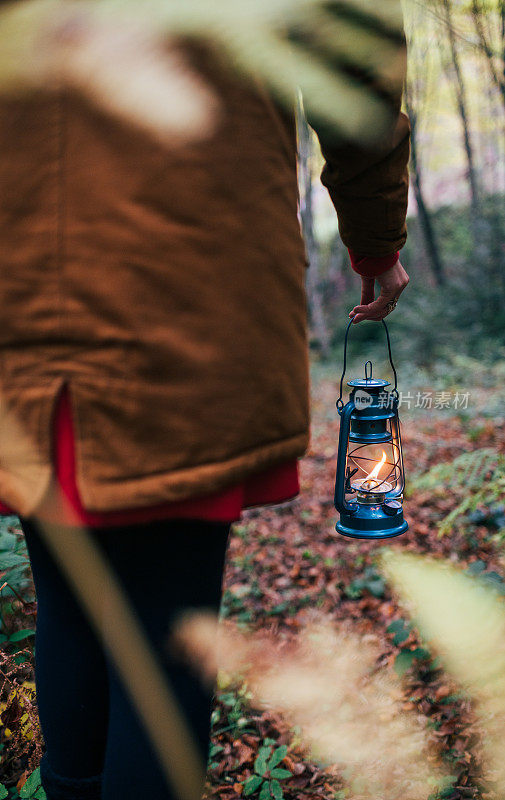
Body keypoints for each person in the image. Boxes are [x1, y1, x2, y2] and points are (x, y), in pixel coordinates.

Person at [0, 12, 410, 800]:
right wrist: (375, 238)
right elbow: (354, 54)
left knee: (70, 603)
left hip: (16, 271)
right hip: (181, 269)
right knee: (165, 632)